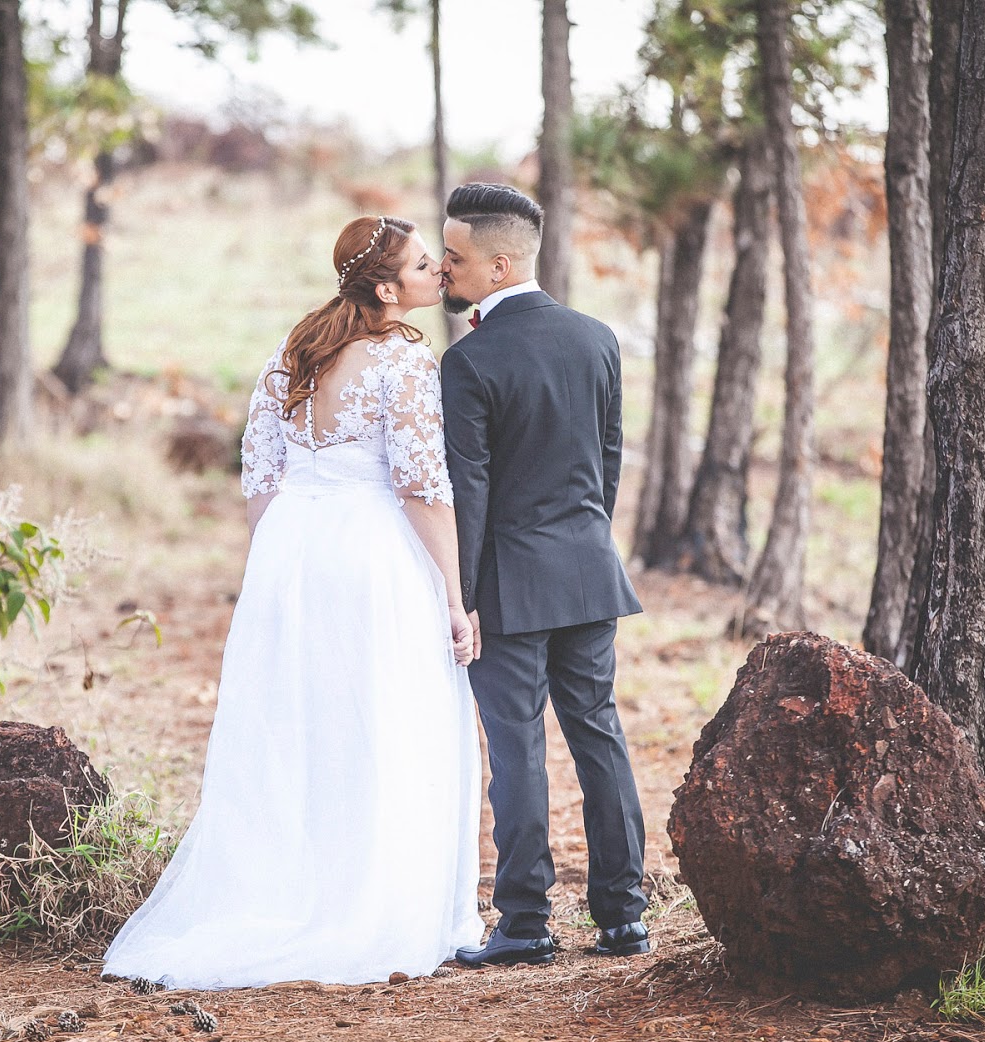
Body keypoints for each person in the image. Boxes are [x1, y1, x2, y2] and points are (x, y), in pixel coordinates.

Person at [101, 215, 485, 989]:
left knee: (301, 722)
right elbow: (421, 487)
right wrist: (453, 594)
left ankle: (291, 890)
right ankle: (367, 902)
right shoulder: (404, 361)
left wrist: (274, 569)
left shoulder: (293, 353)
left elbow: (261, 477)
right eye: (422, 265)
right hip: (372, 555)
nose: (437, 272)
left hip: (292, 552)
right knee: (382, 717)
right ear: (387, 290)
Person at [438, 182, 651, 967]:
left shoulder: (468, 361)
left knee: (518, 747)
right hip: (588, 570)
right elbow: (608, 461)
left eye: (455, 257)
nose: (444, 269)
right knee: (599, 736)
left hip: (509, 586)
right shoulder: (597, 338)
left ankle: (525, 921)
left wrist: (463, 597)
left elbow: (470, 492)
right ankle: (624, 917)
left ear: (499, 265)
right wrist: (585, 542)